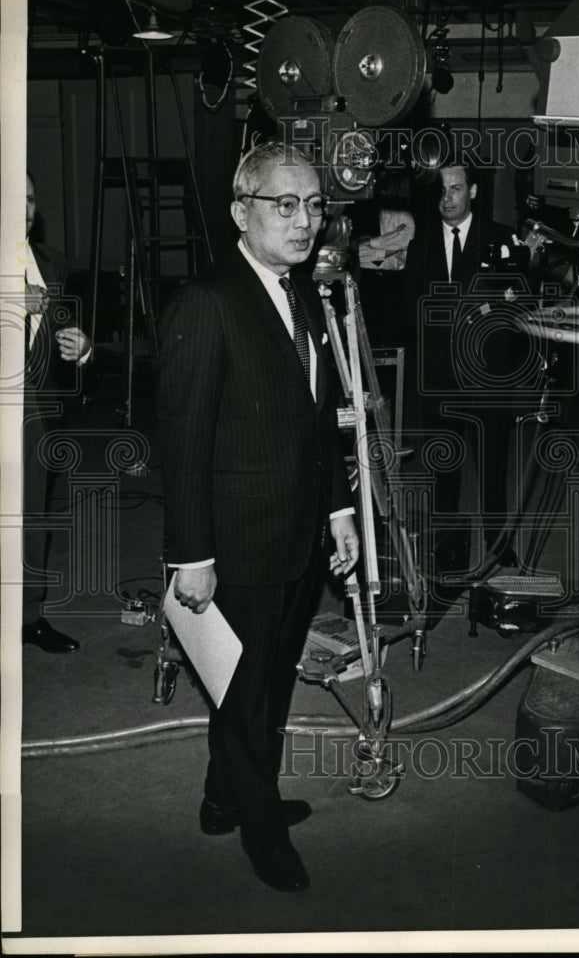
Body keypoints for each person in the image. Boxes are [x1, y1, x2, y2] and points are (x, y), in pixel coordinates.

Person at [155, 142, 359, 893]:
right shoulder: (207, 302)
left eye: (313, 205)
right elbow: (181, 444)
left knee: (266, 681)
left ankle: (221, 800)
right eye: (285, 204)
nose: (304, 221)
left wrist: (338, 509)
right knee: (245, 697)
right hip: (235, 544)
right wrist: (190, 555)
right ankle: (261, 830)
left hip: (299, 533)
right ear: (241, 211)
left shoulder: (301, 294)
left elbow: (318, 421)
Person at [403, 160, 522, 573]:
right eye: (440, 191)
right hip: (439, 377)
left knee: (492, 466)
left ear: (472, 192)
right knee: (444, 469)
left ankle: (497, 542)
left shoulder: (500, 238)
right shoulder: (421, 245)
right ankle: (447, 548)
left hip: (488, 376)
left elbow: (516, 301)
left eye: (455, 189)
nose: (446, 199)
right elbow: (413, 311)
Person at [23, 171, 91, 653]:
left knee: (31, 518)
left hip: (35, 415)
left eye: (30, 199)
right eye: (13, 200)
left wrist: (83, 348)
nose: (24, 210)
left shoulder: (53, 264)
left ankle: (29, 616)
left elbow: (68, 333)